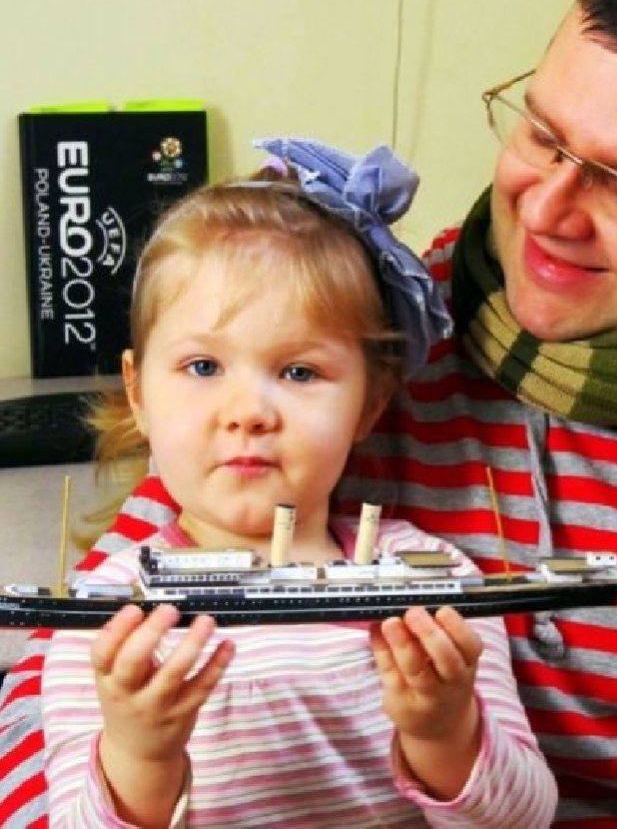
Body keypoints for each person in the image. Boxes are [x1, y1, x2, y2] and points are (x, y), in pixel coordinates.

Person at [2, 0, 617, 829]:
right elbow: (57, 698)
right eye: (542, 137)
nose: (547, 212)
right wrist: (133, 759)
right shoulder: (362, 338)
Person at [36, 146, 558, 826]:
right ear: (138, 391)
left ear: (370, 404)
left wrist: (445, 734)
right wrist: (139, 756)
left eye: (300, 372)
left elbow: (528, 818)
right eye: (203, 366)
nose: (249, 412)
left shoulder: (431, 584)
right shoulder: (105, 622)